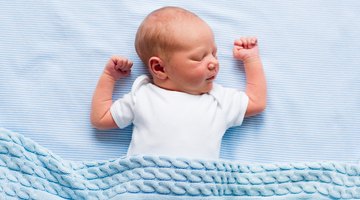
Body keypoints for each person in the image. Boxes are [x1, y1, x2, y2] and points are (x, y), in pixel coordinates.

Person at [91, 6, 266, 160]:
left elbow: (256, 102)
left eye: (214, 53)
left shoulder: (219, 100)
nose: (214, 62)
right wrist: (109, 77)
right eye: (199, 57)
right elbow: (100, 119)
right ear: (159, 68)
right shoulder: (143, 96)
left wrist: (251, 60)